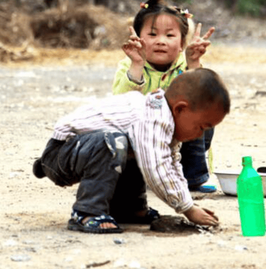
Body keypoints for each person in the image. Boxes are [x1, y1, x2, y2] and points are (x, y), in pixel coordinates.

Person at [32, 68, 230, 234]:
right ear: (180, 109)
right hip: (60, 155)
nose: (199, 136)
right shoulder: (152, 118)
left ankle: (130, 208)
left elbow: (171, 164)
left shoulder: (166, 121)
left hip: (79, 152)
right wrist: (187, 208)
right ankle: (87, 212)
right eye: (202, 127)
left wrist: (186, 200)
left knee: (138, 149)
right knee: (113, 142)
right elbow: (156, 168)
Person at [112, 0, 217, 193]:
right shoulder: (129, 64)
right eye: (152, 35)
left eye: (169, 36)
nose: (161, 41)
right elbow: (120, 103)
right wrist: (136, 65)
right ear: (137, 37)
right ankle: (139, 178)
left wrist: (193, 64)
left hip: (177, 142)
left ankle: (192, 178)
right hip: (142, 139)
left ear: (181, 44)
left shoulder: (185, 65)